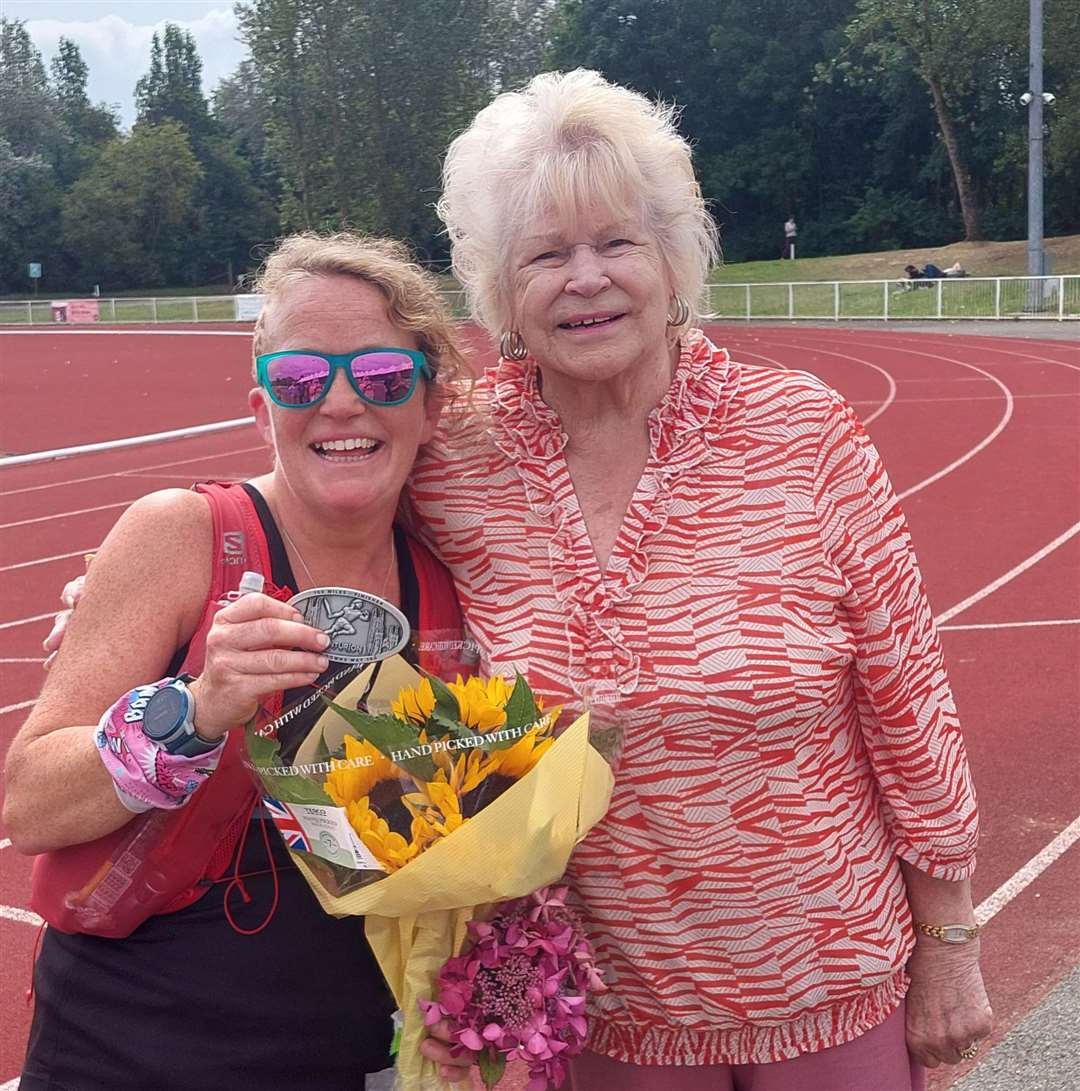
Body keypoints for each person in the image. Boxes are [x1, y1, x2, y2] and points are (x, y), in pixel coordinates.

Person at [41, 70, 994, 1089]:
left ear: (674, 259)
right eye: (546, 254)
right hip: (607, 1007)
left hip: (827, 976)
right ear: (500, 291)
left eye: (617, 242)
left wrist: (952, 938)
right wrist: (129, 595)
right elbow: (325, 481)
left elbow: (911, 704)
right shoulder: (461, 453)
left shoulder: (803, 433)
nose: (585, 279)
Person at [4, 235, 474, 1090]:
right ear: (263, 411)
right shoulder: (183, 535)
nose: (340, 404)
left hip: (350, 1051)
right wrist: (195, 706)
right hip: (129, 1046)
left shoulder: (449, 582)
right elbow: (28, 800)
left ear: (429, 406)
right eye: (301, 379)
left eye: (381, 376)